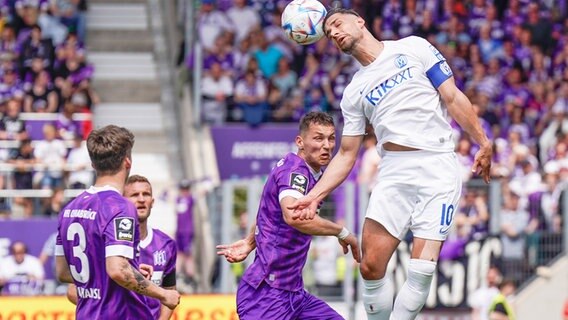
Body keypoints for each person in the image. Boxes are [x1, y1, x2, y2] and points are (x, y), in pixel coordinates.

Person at [288, 8, 493, 320]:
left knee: (421, 269)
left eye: (337, 24)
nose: (334, 33)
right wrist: (314, 195)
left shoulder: (414, 47)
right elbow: (346, 154)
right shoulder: (354, 90)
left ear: (360, 21)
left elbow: (452, 96)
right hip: (394, 170)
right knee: (370, 265)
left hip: (437, 166)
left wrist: (483, 141)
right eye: (329, 34)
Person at [216, 112, 360, 320]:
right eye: (318, 138)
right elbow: (293, 215)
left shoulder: (308, 172)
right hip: (267, 294)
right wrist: (342, 232)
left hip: (294, 294)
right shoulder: (296, 173)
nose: (327, 145)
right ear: (300, 142)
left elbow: (269, 207)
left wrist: (249, 242)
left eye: (331, 138)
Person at [54, 125, 180, 319]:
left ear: (94, 164)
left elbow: (62, 272)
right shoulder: (120, 207)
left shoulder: (69, 210)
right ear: (127, 161)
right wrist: (164, 294)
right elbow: (118, 270)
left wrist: (133, 271)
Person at [67, 174, 178, 320]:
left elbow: (169, 291)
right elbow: (72, 290)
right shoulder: (104, 240)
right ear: (123, 201)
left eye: (146, 194)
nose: (141, 199)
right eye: (134, 195)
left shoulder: (166, 244)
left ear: (152, 201)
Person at [175, 179, 196, 289]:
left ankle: (190, 276)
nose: (184, 191)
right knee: (180, 253)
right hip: (180, 231)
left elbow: (200, 193)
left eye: (186, 189)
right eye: (183, 189)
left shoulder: (190, 199)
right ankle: (178, 274)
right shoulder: (178, 199)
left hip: (187, 231)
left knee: (187, 254)